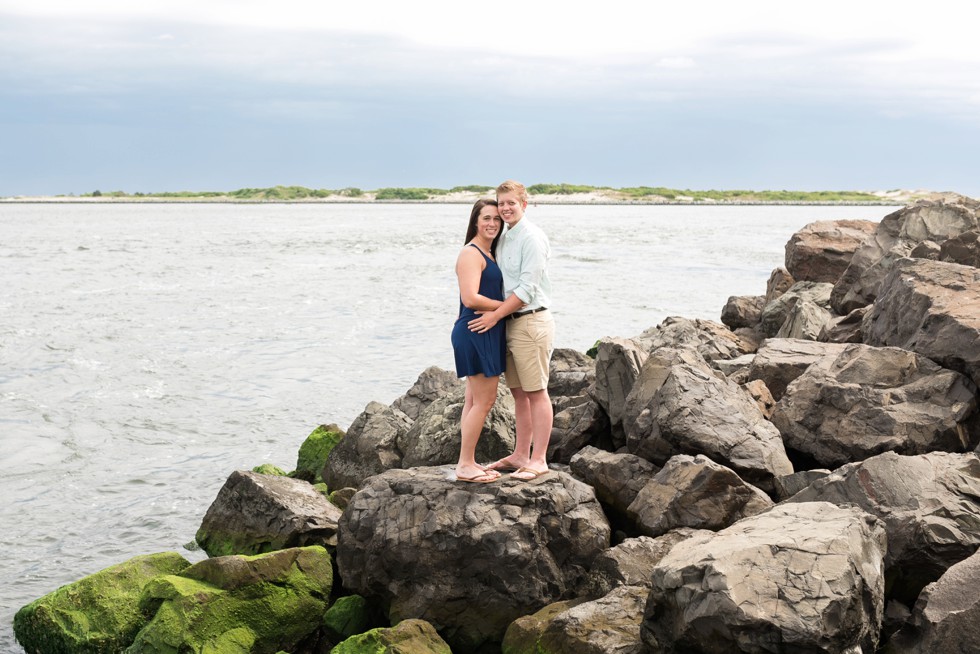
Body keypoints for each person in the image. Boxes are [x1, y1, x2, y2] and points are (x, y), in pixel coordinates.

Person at [468, 180, 554, 481]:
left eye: (510, 203)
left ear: (524, 204)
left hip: (530, 321)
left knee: (537, 392)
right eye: (501, 203)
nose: (504, 208)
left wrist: (494, 316)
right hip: (510, 323)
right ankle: (520, 454)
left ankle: (539, 459)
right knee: (519, 393)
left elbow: (527, 289)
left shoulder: (532, 237)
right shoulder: (505, 237)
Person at [451, 199, 507, 483]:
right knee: (485, 401)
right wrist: (507, 306)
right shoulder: (471, 253)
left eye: (497, 219)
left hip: (485, 328)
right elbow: (470, 298)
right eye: (486, 218)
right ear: (475, 221)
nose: (492, 224)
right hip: (476, 329)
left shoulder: (489, 252)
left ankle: (468, 460)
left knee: (473, 401)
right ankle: (464, 466)